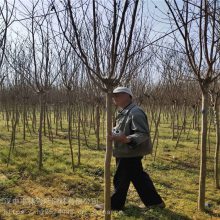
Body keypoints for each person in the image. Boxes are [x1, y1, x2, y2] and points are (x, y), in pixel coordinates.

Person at [95, 86, 165, 211]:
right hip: (125, 151)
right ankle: (155, 202)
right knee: (138, 177)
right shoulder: (124, 112)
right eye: (114, 96)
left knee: (121, 179)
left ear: (129, 97)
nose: (115, 98)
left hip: (129, 152)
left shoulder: (135, 112)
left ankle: (114, 205)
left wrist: (126, 139)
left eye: (118, 95)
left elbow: (143, 133)